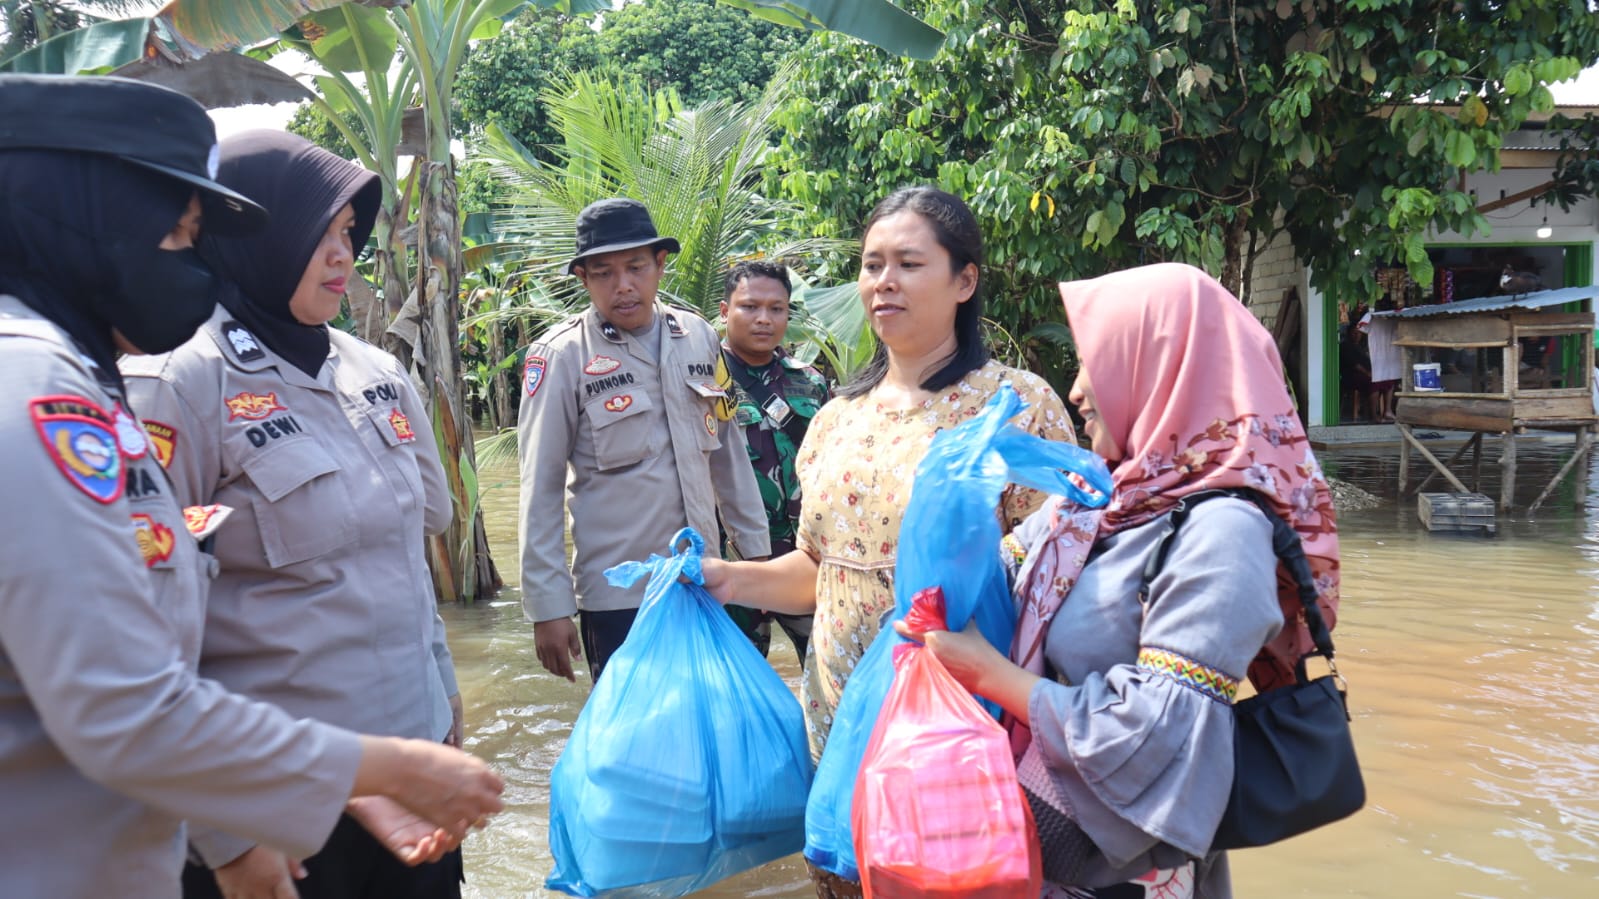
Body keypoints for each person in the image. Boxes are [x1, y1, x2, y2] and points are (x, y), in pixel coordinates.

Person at [0, 74, 501, 899]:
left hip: (321, 783)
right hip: (236, 801)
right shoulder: (67, 389)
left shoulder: (367, 371)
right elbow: (138, 693)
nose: (185, 263)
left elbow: (403, 568)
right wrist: (249, 823)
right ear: (86, 220)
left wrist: (422, 722)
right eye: (174, 236)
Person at [895, 263, 1342, 898]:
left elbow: (1157, 729)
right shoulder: (1092, 502)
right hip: (1026, 840)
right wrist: (948, 503)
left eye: (1094, 366)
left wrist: (989, 675)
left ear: (1164, 372)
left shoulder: (1223, 533)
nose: (1076, 391)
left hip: (1121, 869)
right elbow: (993, 578)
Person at [118, 130, 468, 899]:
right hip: (275, 795)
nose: (343, 254)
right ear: (255, 230)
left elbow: (406, 555)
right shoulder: (178, 382)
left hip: (413, 763)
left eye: (350, 233)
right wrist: (225, 831)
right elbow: (144, 621)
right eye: (321, 231)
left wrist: (442, 692)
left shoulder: (374, 370)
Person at [699, 186, 1074, 897]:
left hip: (952, 741)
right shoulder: (837, 417)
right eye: (871, 265)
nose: (883, 282)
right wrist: (730, 577)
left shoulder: (1013, 406)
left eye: (908, 262)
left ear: (963, 281)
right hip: (837, 725)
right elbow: (818, 568)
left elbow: (1055, 579)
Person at [518, 198, 770, 683]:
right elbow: (540, 488)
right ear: (583, 279)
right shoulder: (560, 356)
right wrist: (548, 608)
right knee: (632, 743)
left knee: (708, 723)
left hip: (702, 580)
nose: (623, 286)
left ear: (660, 265)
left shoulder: (697, 336)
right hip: (619, 596)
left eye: (635, 267)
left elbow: (729, 455)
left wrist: (757, 561)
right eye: (603, 273)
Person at [718, 260, 830, 662]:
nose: (764, 319)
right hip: (732, 563)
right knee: (737, 683)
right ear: (724, 310)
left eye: (777, 308)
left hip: (802, 560)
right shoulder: (704, 383)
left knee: (830, 670)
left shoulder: (811, 381)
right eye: (749, 307)